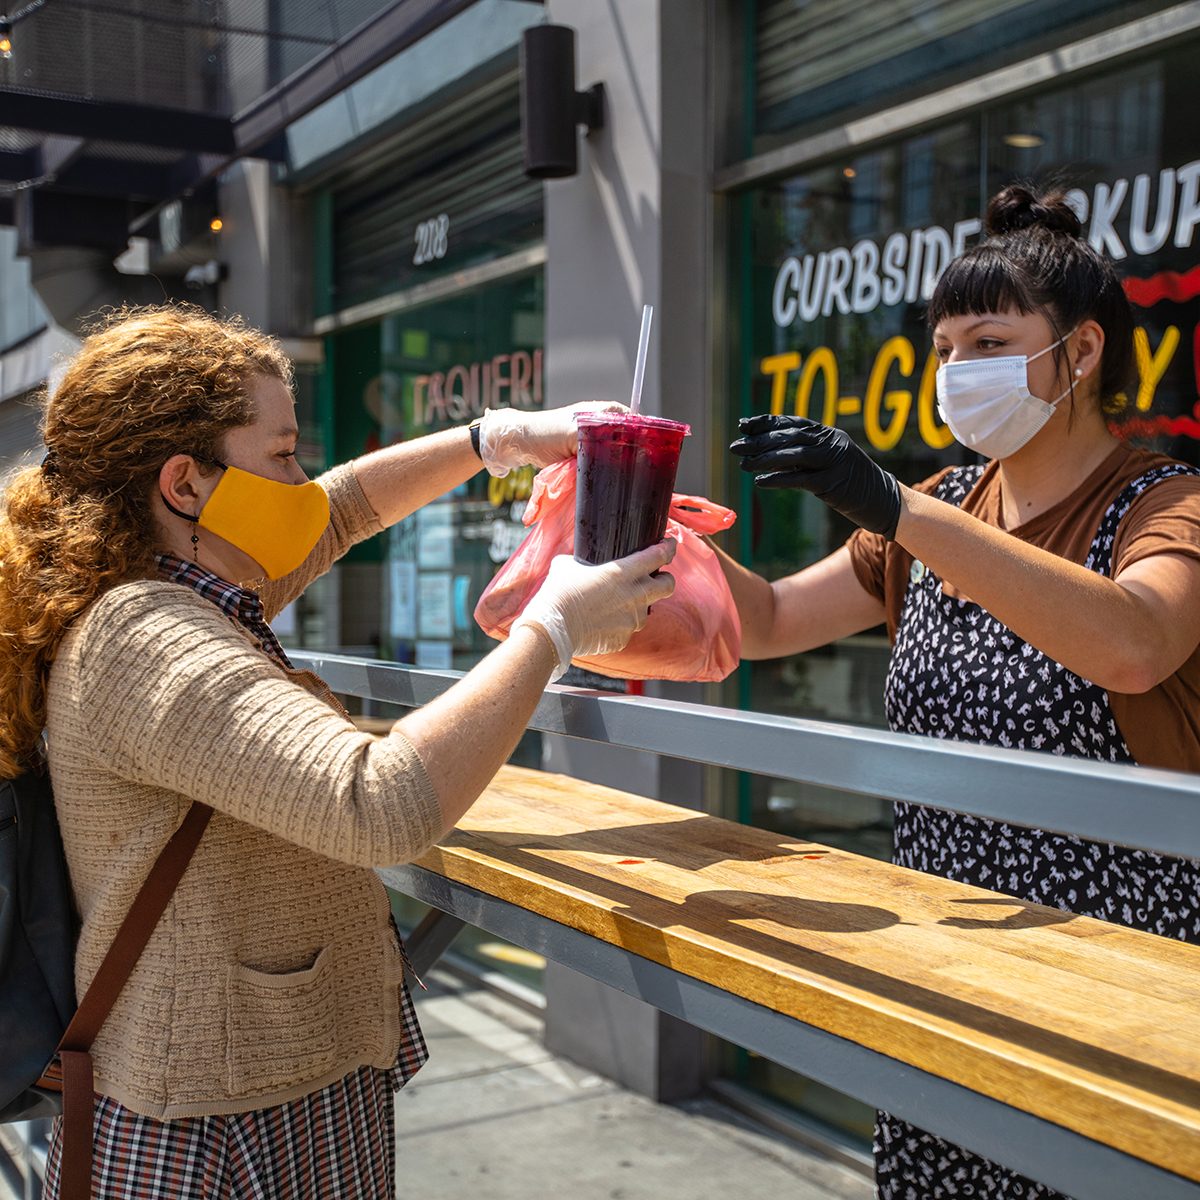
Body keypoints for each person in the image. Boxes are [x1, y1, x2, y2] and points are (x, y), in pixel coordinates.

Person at [0, 304, 674, 1199]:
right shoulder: (142, 634)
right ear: (184, 483)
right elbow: (377, 801)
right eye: (280, 454)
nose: (301, 476)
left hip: (263, 1079)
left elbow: (344, 508)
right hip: (221, 1117)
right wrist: (551, 628)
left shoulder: (179, 580)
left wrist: (498, 438)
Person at [722, 184, 1200, 1199]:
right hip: (949, 963)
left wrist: (891, 504)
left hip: (1119, 980)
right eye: (943, 349)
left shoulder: (1168, 505)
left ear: (1079, 354)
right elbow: (764, 624)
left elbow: (1134, 644)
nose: (955, 371)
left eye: (987, 341)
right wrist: (644, 520)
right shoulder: (939, 505)